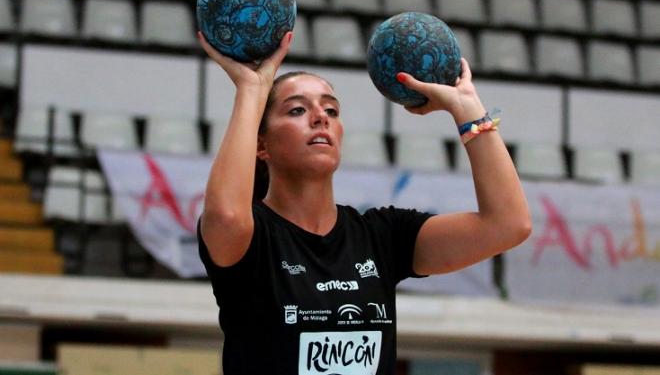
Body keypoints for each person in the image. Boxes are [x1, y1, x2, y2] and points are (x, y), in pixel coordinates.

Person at [197, 30, 531, 375]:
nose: (320, 117)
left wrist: (468, 108)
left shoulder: (381, 236)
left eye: (331, 109)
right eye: (297, 109)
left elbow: (508, 225)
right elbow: (224, 215)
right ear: (261, 145)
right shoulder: (254, 237)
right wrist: (251, 90)